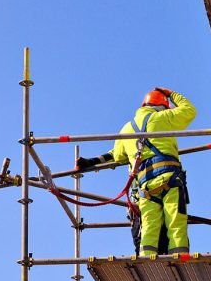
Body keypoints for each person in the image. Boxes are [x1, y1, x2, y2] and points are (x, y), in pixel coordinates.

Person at [76, 87, 196, 256]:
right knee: (175, 222)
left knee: (149, 227)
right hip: (170, 177)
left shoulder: (126, 129)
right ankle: (180, 257)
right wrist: (172, 94)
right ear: (162, 106)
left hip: (145, 184)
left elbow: (117, 156)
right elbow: (189, 111)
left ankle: (147, 260)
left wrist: (91, 161)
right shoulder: (164, 117)